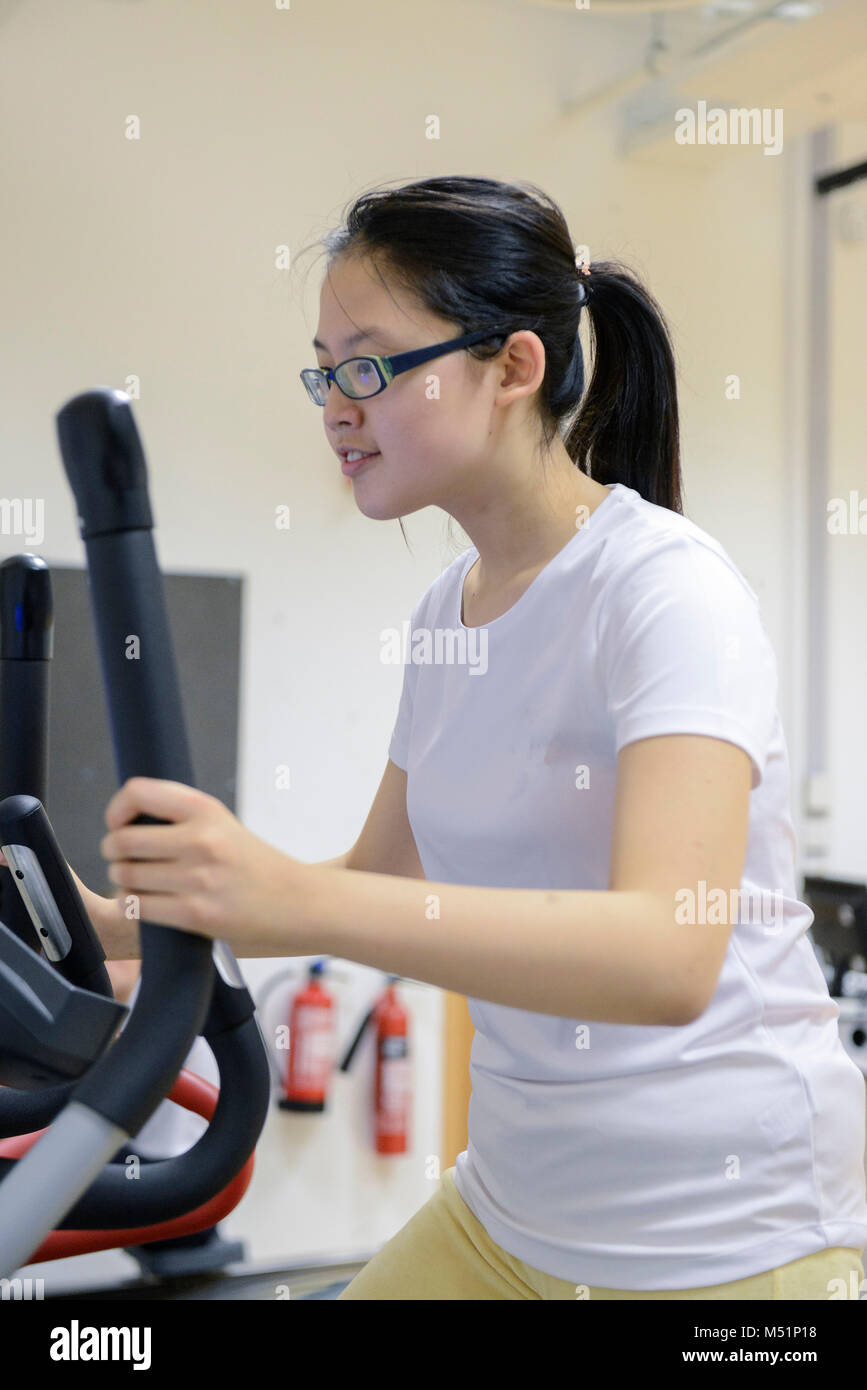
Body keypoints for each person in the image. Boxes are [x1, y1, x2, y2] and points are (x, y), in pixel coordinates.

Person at [62, 176, 867, 1299]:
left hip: (726, 1241)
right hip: (511, 1210)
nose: (336, 406)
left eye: (370, 365)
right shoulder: (451, 609)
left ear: (515, 368)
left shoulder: (667, 589)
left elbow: (667, 955)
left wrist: (285, 899)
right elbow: (378, 881)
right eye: (324, 370)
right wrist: (116, 926)